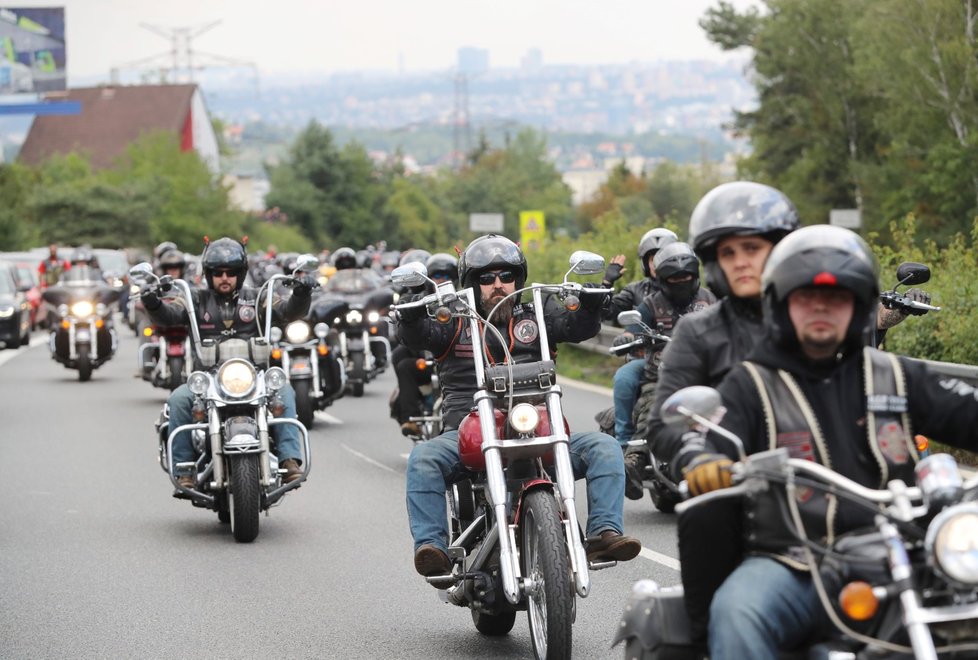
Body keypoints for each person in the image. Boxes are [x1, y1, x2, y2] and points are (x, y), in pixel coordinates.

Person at [673, 224, 978, 660]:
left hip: (901, 552)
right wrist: (702, 462)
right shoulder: (751, 382)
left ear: (856, 305)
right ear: (782, 305)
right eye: (805, 296)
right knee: (737, 612)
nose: (821, 306)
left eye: (836, 297)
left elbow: (966, 412)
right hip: (793, 560)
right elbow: (707, 439)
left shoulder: (895, 374)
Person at [398, 234, 642, 577]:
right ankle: (433, 547)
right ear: (471, 282)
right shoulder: (452, 318)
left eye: (506, 276)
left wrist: (587, 305)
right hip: (469, 433)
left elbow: (575, 326)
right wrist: (410, 315)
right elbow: (417, 335)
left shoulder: (540, 313)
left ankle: (603, 533)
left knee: (605, 447)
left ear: (519, 278)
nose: (498, 285)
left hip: (539, 428)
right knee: (423, 458)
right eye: (486, 278)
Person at [141, 237, 315, 489]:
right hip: (209, 380)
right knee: (178, 399)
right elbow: (169, 316)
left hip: (254, 378)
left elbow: (289, 311)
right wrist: (152, 302)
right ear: (208, 274)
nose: (225, 278)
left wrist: (301, 292)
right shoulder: (194, 300)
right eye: (218, 272)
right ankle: (184, 469)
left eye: (231, 273)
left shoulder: (259, 298)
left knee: (285, 391)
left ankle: (289, 460)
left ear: (241, 273)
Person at [620, 242, 717, 498]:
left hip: (707, 376)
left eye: (686, 277)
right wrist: (627, 336)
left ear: (695, 276)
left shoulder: (710, 300)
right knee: (650, 407)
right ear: (662, 280)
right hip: (661, 377)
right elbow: (634, 327)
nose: (681, 281)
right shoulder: (652, 304)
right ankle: (635, 462)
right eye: (675, 278)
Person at [601, 228, 679, 449]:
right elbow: (608, 313)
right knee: (624, 378)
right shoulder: (636, 291)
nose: (657, 263)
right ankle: (623, 441)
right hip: (645, 359)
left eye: (663, 256)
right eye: (653, 259)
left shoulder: (687, 290)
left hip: (681, 358)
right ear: (646, 263)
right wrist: (607, 283)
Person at [393, 252, 457, 437]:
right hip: (429, 361)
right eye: (436, 276)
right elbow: (407, 330)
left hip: (456, 360)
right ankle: (410, 418)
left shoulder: (464, 301)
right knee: (402, 360)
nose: (440, 281)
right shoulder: (417, 299)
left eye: (446, 276)